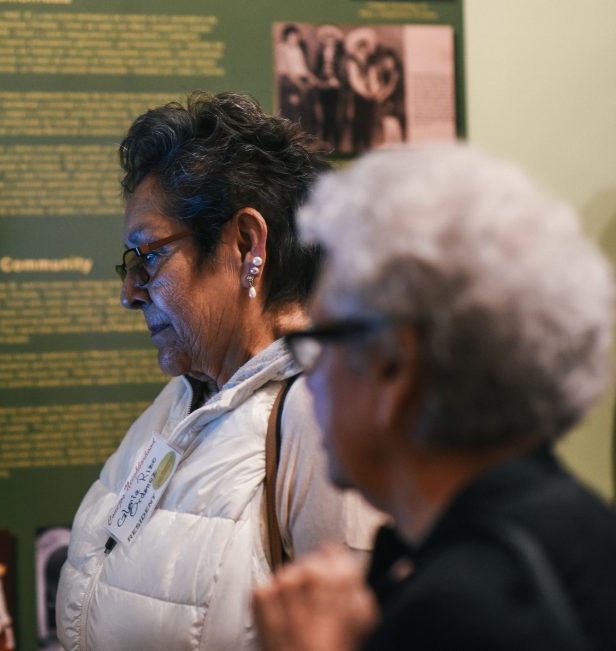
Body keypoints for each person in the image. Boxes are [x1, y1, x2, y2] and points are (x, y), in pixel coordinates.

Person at [252, 144, 616, 651]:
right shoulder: (586, 525)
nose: (309, 377)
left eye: (323, 340)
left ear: (394, 368)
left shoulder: (460, 611)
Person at [56, 92, 382, 650]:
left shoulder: (324, 417)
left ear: (245, 245)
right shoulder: (184, 399)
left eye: (148, 256)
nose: (129, 293)